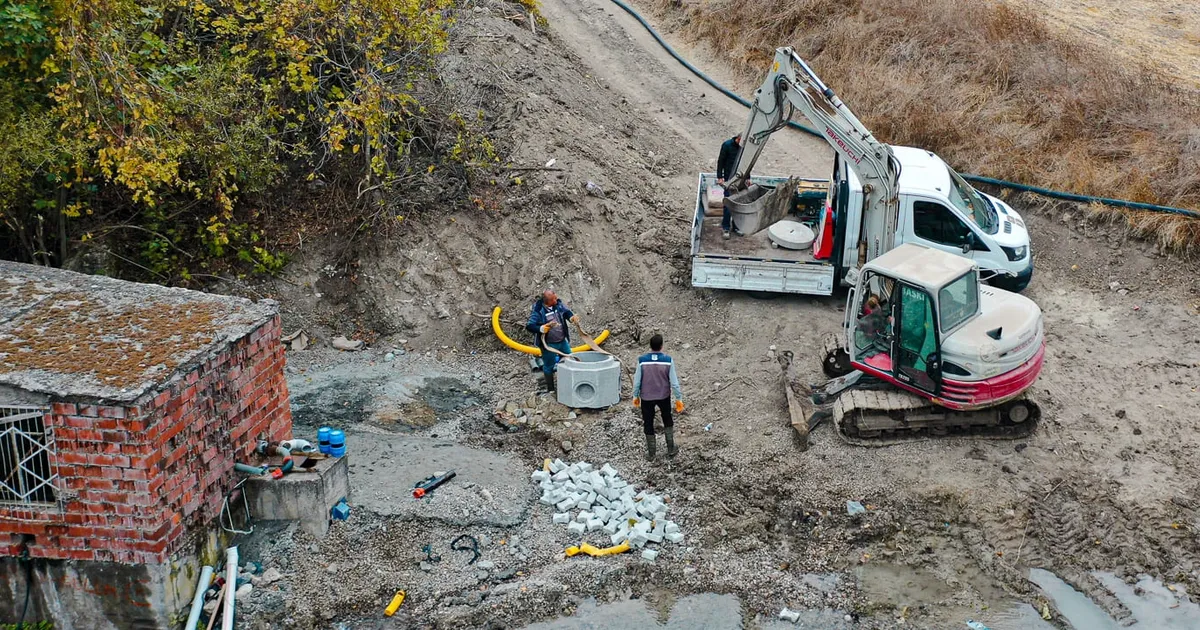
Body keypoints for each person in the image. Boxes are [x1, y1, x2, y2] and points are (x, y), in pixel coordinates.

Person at [632, 334, 684, 461]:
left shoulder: (642, 360)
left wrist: (635, 395)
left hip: (646, 397)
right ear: (661, 346)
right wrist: (678, 399)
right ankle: (671, 448)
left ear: (650, 346)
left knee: (648, 422)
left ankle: (651, 453)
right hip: (664, 396)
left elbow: (637, 381)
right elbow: (674, 383)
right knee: (667, 419)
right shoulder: (668, 360)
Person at [526, 289, 579, 393]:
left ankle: (571, 384)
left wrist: (572, 318)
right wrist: (541, 328)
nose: (556, 300)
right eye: (552, 299)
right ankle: (551, 389)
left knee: (570, 359)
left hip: (562, 342)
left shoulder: (557, 304)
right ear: (547, 301)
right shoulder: (539, 310)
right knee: (549, 366)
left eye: (555, 297)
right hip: (549, 345)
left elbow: (566, 312)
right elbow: (530, 326)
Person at [716, 133, 745, 240]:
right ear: (738, 139)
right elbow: (721, 162)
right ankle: (726, 227)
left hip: (740, 179)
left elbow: (746, 163)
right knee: (728, 204)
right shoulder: (727, 145)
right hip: (729, 178)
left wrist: (748, 178)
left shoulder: (744, 148)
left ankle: (736, 226)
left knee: (739, 204)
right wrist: (720, 177)